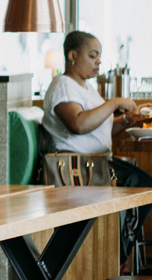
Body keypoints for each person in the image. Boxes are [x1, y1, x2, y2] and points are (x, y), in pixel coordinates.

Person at [41, 30, 152, 262]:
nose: (98, 61)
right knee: (141, 186)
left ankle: (116, 256)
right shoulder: (63, 84)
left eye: (99, 56)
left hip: (96, 163)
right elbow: (79, 124)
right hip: (78, 167)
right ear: (72, 55)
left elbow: (100, 128)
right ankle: (116, 257)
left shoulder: (87, 88)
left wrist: (127, 121)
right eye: (93, 56)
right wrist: (114, 103)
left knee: (145, 187)